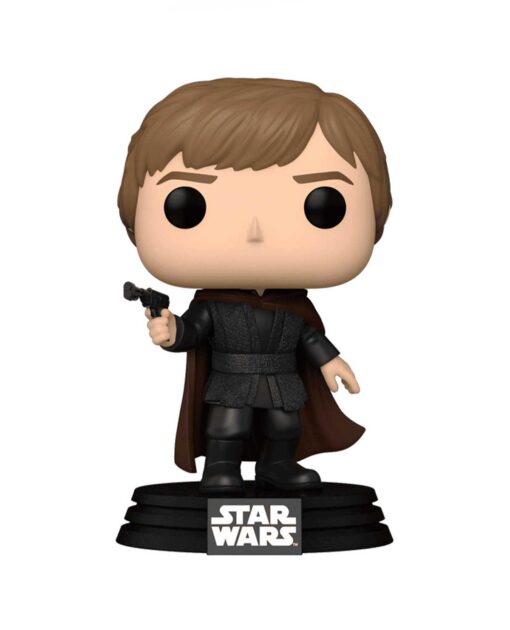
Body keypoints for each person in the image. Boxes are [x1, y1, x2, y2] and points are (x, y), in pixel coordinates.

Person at [118, 78, 392, 494]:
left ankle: (277, 467)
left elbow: (308, 336)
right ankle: (220, 470)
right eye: (188, 205)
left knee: (284, 426)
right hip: (232, 378)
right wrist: (172, 331)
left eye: (322, 205)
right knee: (227, 426)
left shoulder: (293, 307)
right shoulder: (214, 304)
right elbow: (195, 331)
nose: (255, 231)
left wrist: (329, 360)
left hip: (281, 377)